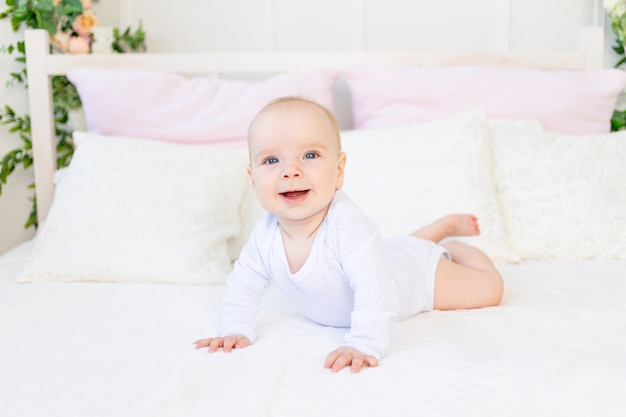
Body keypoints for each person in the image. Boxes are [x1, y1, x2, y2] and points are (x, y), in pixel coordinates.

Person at [194, 97, 504, 373]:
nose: (290, 171)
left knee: (490, 289)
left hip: (415, 278)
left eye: (310, 155)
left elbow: (375, 285)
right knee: (396, 249)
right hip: (390, 254)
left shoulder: (347, 224)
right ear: (253, 177)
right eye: (272, 160)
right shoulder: (264, 236)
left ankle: (452, 244)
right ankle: (437, 230)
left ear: (339, 170)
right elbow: (243, 283)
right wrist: (236, 327)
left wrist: (365, 342)